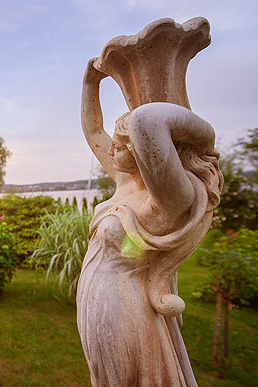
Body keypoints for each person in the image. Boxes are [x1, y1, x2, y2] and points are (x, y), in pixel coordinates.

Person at [77, 58, 223, 386]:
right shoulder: (125, 180)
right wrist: (90, 83)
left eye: (119, 145)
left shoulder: (171, 199)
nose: (110, 150)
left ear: (140, 150)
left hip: (124, 312)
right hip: (96, 303)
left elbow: (147, 120)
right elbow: (93, 131)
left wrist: (206, 137)